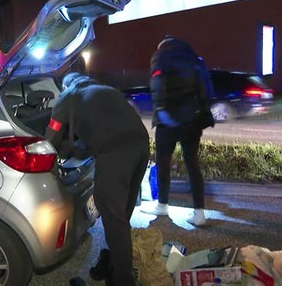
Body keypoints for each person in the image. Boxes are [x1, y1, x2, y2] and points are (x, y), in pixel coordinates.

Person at [45, 72, 150, 286]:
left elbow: (50, 138)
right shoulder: (103, 90)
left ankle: (123, 280)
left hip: (115, 152)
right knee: (121, 215)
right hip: (141, 146)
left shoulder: (68, 97)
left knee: (112, 214)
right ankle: (113, 262)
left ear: (65, 86)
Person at [141, 35, 215, 226]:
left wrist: (160, 109)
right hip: (192, 120)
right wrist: (202, 113)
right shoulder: (194, 59)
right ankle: (199, 214)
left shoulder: (160, 56)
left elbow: (157, 84)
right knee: (193, 164)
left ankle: (163, 205)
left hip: (168, 121)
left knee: (163, 162)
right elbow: (205, 89)